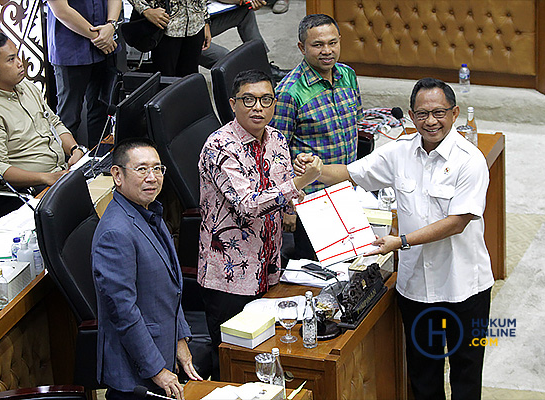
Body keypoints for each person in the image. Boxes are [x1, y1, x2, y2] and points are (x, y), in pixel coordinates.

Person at [295, 78, 494, 400]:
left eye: (439, 113)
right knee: (423, 375)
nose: (431, 121)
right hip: (416, 289)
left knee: (466, 374)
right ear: (412, 117)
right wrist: (315, 169)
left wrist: (400, 242)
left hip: (465, 289)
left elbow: (458, 222)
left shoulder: (469, 160)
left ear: (455, 113)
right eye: (422, 114)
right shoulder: (399, 152)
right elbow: (349, 173)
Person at [197, 70, 322, 379]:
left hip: (269, 269)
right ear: (233, 104)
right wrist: (298, 183)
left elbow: (283, 196)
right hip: (229, 278)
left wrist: (301, 181)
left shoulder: (277, 140)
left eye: (266, 100)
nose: (258, 108)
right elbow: (248, 204)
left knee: (267, 358)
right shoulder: (219, 147)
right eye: (248, 100)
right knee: (232, 365)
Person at [92, 138, 202, 400]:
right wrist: (157, 369)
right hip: (136, 376)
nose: (152, 177)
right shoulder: (115, 233)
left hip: (163, 350)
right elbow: (123, 312)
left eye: (158, 169)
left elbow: (169, 288)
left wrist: (180, 340)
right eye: (142, 169)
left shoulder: (148, 210)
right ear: (117, 175)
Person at [270, 13, 364, 259]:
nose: (327, 51)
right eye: (317, 45)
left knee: (352, 264)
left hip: (348, 190)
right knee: (320, 272)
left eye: (333, 43)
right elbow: (276, 155)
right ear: (302, 47)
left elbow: (356, 122)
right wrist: (289, 205)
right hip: (313, 202)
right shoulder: (289, 93)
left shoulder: (348, 76)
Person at [0, 32, 85, 189]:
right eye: (11, 59)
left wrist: (75, 149)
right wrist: (46, 178)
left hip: (59, 174)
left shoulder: (27, 87)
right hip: (24, 191)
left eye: (17, 56)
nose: (20, 63)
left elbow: (54, 123)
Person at [45, 0, 121, 149]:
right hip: (70, 47)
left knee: (103, 110)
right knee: (69, 116)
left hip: (106, 43)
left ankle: (98, 161)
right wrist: (99, 37)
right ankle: (66, 166)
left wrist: (112, 25)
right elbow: (61, 11)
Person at [200, 1, 288, 82]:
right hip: (189, 36)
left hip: (202, 24)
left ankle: (264, 67)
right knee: (228, 60)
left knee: (245, 12)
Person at [127, 0, 211, 77]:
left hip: (195, 24)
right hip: (164, 26)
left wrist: (205, 20)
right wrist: (146, 10)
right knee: (165, 80)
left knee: (190, 79)